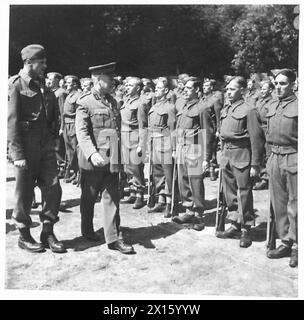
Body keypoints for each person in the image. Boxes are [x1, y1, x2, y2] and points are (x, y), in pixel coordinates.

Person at [7, 44, 65, 253]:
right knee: (24, 193)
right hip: (26, 149)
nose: (45, 66)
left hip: (45, 147)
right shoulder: (15, 85)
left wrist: (51, 142)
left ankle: (47, 231)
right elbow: (11, 123)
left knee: (53, 188)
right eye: (42, 62)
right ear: (29, 62)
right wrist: (17, 155)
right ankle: (24, 234)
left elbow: (52, 117)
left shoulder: (43, 85)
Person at [75, 62, 134, 254]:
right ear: (98, 79)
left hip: (112, 159)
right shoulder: (85, 102)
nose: (113, 83)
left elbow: (117, 131)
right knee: (88, 197)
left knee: (112, 198)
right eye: (109, 79)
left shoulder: (114, 101)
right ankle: (87, 229)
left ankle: (114, 238)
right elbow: (82, 132)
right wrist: (92, 153)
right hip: (93, 160)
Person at [216, 76, 264, 248]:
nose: (228, 92)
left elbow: (256, 139)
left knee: (244, 193)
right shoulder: (226, 109)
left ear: (242, 90)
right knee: (229, 192)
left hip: (242, 154)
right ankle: (235, 224)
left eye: (232, 89)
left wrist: (255, 164)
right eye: (227, 89)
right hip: (227, 154)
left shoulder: (249, 110)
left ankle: (246, 229)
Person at [265, 69, 298, 268]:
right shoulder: (272, 105)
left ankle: (297, 246)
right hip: (275, 157)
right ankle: (286, 241)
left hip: (294, 155)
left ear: (293, 84)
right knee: (279, 204)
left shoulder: (299, 105)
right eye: (276, 83)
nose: (278, 87)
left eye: (283, 83)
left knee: (296, 205)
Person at [172, 77, 213, 231]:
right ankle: (188, 210)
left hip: (195, 149)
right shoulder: (184, 107)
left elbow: (207, 133)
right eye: (184, 88)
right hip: (182, 148)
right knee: (183, 182)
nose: (185, 91)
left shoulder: (202, 108)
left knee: (195, 182)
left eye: (189, 88)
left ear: (197, 89)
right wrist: (176, 148)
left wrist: (206, 158)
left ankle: (199, 215)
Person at [147, 77, 176, 217]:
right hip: (154, 142)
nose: (156, 91)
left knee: (168, 174)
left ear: (166, 91)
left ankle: (170, 203)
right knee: (157, 173)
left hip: (165, 142)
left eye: (159, 89)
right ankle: (161, 200)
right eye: (155, 88)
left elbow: (172, 129)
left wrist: (174, 148)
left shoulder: (170, 107)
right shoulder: (154, 106)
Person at [120, 77, 150, 209]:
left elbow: (143, 126)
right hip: (124, 137)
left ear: (138, 88)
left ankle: (139, 195)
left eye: (130, 85)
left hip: (134, 137)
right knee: (127, 167)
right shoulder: (126, 100)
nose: (127, 87)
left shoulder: (141, 103)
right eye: (126, 85)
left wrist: (141, 145)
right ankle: (132, 192)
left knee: (136, 168)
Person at [253, 80, 274, 190]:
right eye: (261, 89)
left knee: (268, 153)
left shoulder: (272, 102)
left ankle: (266, 179)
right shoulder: (259, 101)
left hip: (267, 129)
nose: (262, 91)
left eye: (264, 89)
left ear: (270, 90)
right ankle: (261, 175)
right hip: (258, 129)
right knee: (259, 153)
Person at [60, 75, 82, 184]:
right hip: (66, 125)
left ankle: (80, 175)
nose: (66, 85)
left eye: (68, 83)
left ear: (75, 84)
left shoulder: (78, 96)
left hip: (74, 124)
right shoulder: (69, 96)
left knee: (75, 151)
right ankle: (75, 172)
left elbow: (79, 114)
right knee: (69, 151)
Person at [46, 71, 67, 178]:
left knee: (59, 147)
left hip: (58, 124)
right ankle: (57, 166)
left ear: (57, 80)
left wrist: (62, 127)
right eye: (48, 79)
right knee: (54, 146)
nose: (49, 81)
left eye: (51, 79)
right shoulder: (52, 91)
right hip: (53, 123)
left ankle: (62, 167)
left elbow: (63, 111)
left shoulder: (61, 93)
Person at [201, 79, 223, 181]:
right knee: (203, 149)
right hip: (202, 127)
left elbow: (218, 116)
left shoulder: (215, 100)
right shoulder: (201, 100)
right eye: (203, 86)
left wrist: (218, 130)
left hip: (211, 128)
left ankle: (212, 170)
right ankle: (204, 169)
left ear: (211, 88)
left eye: (206, 86)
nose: (204, 87)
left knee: (212, 149)